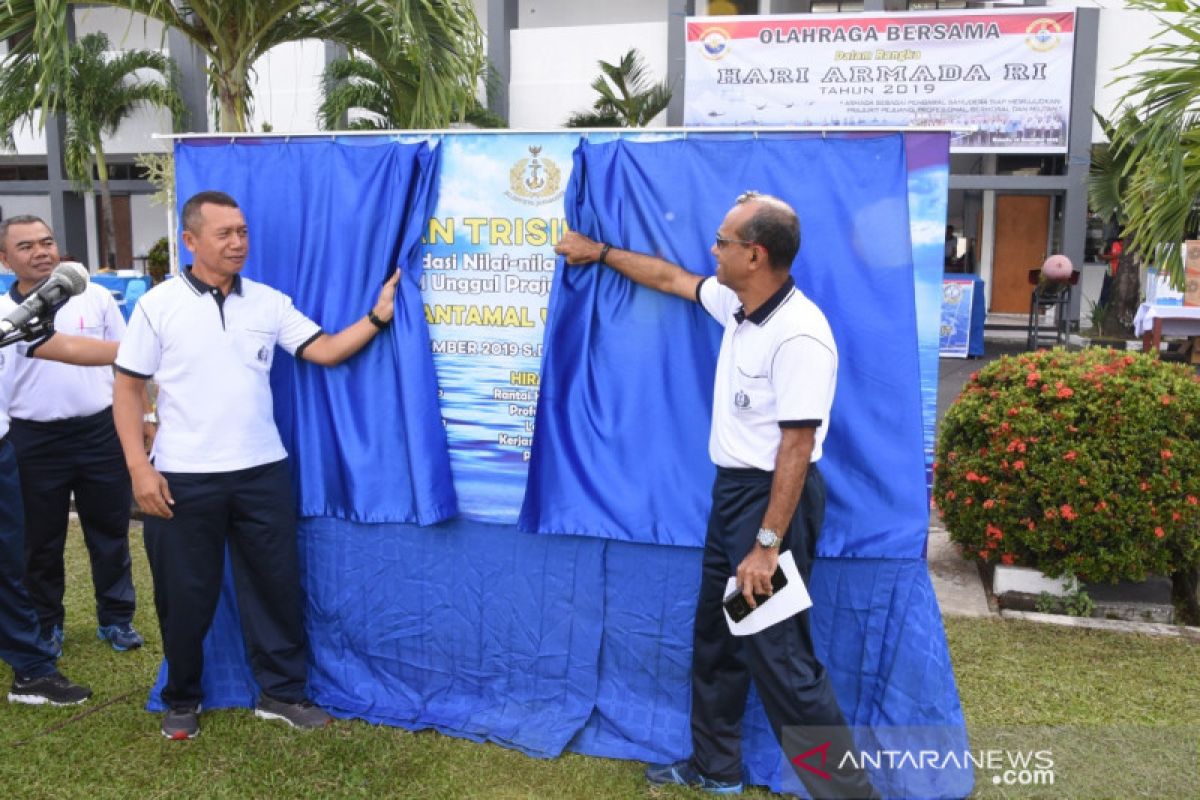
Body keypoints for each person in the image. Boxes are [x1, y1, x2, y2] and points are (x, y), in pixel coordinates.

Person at [554, 192, 879, 799]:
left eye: (723, 242)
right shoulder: (738, 304)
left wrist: (764, 546)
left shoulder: (799, 334)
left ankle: (849, 794)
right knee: (718, 635)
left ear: (754, 254)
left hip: (772, 504)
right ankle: (717, 767)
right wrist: (597, 252)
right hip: (733, 497)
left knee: (780, 658)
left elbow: (796, 450)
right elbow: (673, 278)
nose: (713, 250)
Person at [111, 190, 400, 741]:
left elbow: (327, 350)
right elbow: (127, 389)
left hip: (262, 472)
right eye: (225, 233)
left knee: (274, 587)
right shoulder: (157, 305)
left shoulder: (268, 302)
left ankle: (282, 694)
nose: (238, 242)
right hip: (182, 477)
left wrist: (377, 317)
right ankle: (182, 699)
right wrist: (139, 469)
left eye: (242, 231)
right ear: (190, 241)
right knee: (183, 594)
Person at [0, 216, 146, 659]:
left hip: (99, 431)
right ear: (5, 258)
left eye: (47, 242)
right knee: (39, 540)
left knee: (110, 531)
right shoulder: (6, 315)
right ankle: (47, 624)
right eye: (25, 246)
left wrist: (144, 419)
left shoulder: (96, 297)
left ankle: (116, 619)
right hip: (31, 439)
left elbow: (131, 363)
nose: (41, 252)